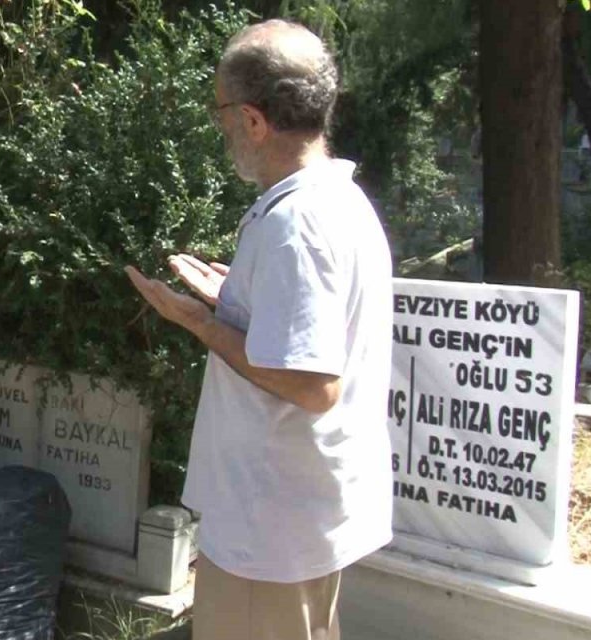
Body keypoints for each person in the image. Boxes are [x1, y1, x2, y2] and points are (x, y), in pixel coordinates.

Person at [124, 20, 393, 640]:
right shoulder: (338, 199)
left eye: (223, 116)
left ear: (253, 120)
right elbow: (314, 333)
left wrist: (198, 321)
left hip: (270, 529)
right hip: (301, 518)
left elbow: (311, 383)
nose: (223, 134)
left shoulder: (296, 223)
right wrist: (240, 304)